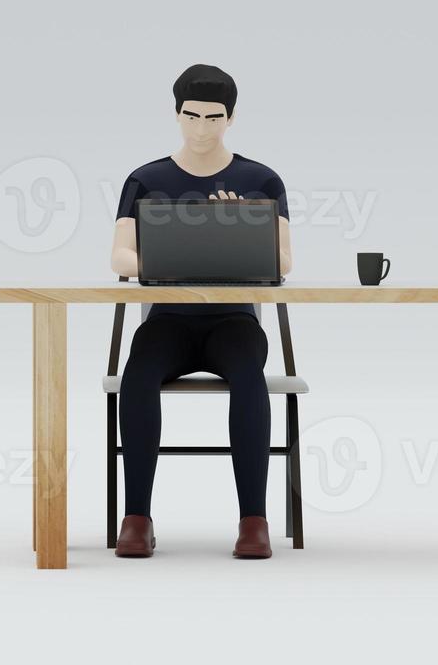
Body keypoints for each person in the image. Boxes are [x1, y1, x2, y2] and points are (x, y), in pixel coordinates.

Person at [108, 64, 292, 559]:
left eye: (214, 118)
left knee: (249, 377)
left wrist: (238, 229)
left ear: (231, 119)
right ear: (176, 114)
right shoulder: (145, 179)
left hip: (235, 321)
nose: (202, 129)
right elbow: (119, 258)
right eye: (192, 116)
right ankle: (137, 517)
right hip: (167, 321)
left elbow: (283, 261)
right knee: (139, 372)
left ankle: (254, 519)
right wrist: (173, 255)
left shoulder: (261, 179)